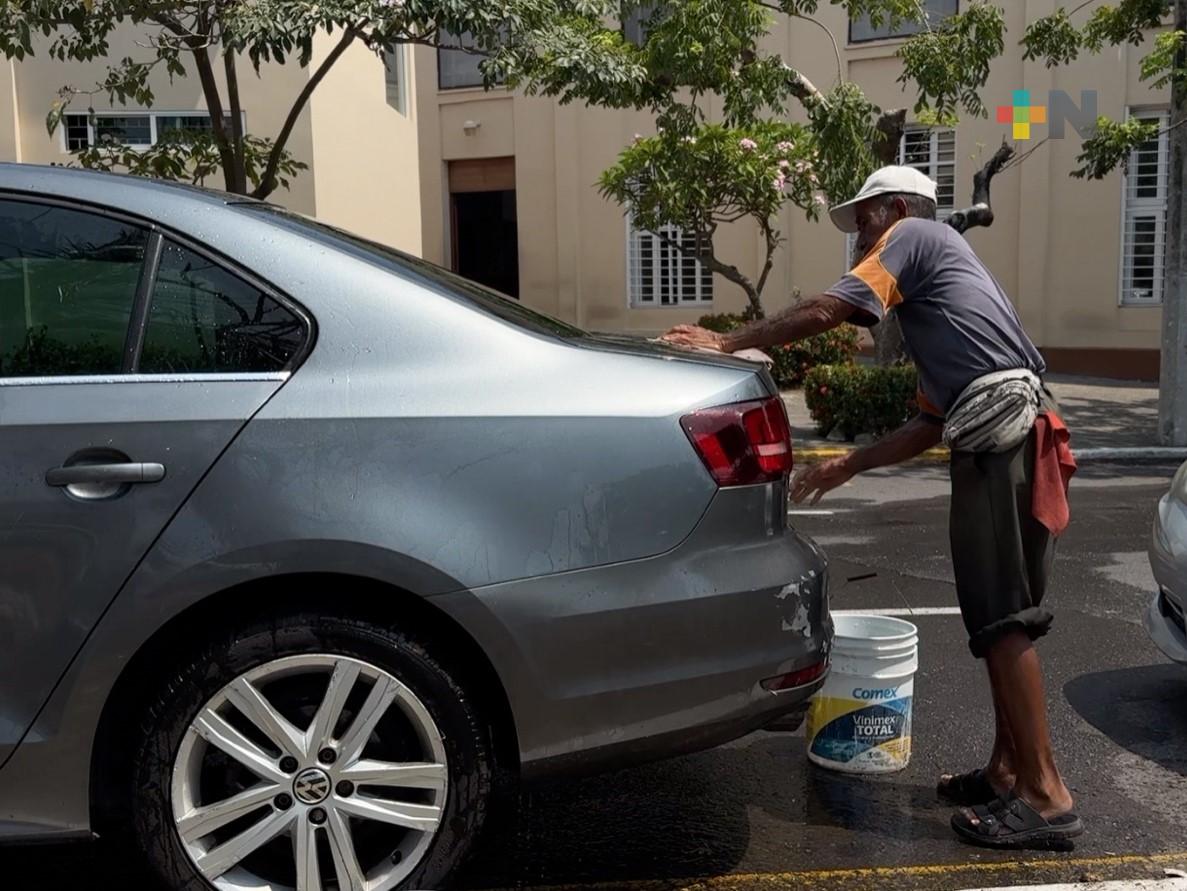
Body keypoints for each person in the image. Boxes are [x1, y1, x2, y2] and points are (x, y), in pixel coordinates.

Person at [661, 165, 1082, 849]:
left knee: (1004, 618)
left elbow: (834, 307)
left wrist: (728, 341)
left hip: (1002, 439)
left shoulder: (915, 236)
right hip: (1012, 435)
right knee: (998, 621)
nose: (858, 238)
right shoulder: (937, 296)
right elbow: (926, 424)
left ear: (896, 209)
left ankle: (1045, 794)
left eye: (863, 221)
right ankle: (1008, 770)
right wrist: (847, 464)